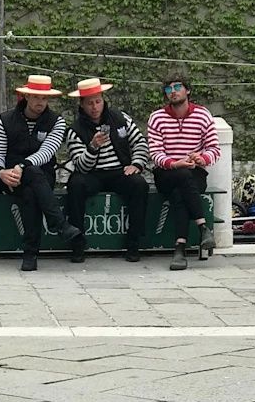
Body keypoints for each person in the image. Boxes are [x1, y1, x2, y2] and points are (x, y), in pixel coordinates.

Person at [0, 74, 82, 272]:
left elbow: (46, 152)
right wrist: (0, 172)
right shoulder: (5, 120)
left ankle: (30, 253)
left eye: (44, 98)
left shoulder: (56, 121)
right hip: (10, 177)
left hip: (41, 174)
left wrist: (22, 166)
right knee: (29, 184)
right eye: (37, 97)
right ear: (27, 97)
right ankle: (58, 224)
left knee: (31, 189)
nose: (41, 102)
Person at [64, 78, 150, 263]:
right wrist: (93, 147)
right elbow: (80, 165)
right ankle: (77, 242)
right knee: (75, 184)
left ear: (103, 99)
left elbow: (140, 142)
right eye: (90, 103)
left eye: (98, 102)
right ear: (82, 104)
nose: (95, 107)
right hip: (92, 175)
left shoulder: (120, 118)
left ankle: (134, 242)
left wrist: (136, 164)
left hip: (120, 171)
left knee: (139, 184)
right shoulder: (75, 130)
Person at [147, 71, 220, 270]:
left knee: (181, 193)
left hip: (195, 171)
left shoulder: (202, 115)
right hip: (166, 173)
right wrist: (176, 163)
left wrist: (201, 158)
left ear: (187, 90)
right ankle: (203, 228)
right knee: (182, 176)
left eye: (177, 87)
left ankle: (180, 248)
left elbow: (214, 149)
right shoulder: (157, 118)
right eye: (169, 89)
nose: (173, 92)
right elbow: (156, 154)